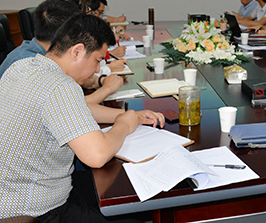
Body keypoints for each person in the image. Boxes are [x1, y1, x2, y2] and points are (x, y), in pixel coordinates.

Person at [0, 14, 164, 221]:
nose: (97, 70)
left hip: (11, 195)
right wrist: (123, 125)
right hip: (36, 210)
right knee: (135, 211)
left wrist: (129, 116)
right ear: (77, 51)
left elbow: (74, 110)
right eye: (97, 60)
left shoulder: (22, 66)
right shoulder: (61, 85)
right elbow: (97, 155)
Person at [0, 0, 126, 102]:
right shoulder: (30, 64)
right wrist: (107, 89)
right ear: (64, 33)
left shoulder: (43, 55)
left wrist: (100, 80)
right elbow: (71, 106)